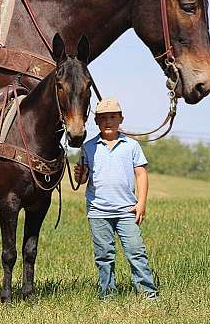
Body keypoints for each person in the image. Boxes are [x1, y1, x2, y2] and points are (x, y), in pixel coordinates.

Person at [74, 98, 158, 300]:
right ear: (96, 122)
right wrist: (80, 175)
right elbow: (83, 179)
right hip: (98, 211)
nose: (108, 122)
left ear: (121, 119)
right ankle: (108, 294)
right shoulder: (88, 147)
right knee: (104, 255)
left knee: (136, 252)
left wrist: (141, 204)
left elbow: (141, 174)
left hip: (127, 210)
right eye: (103, 118)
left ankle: (148, 293)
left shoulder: (131, 146)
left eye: (112, 117)